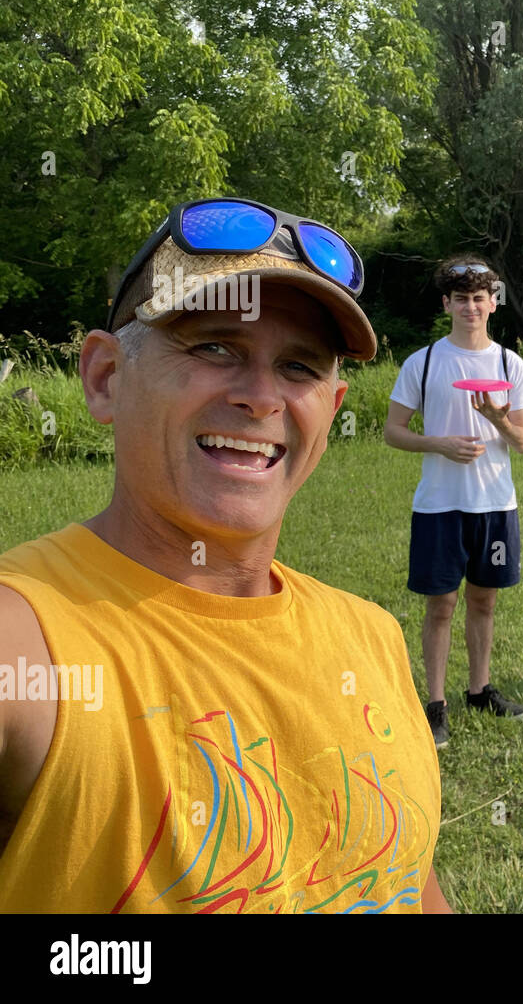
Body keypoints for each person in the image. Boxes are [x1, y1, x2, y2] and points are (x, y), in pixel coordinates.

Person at [0, 198, 450, 913]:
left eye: (299, 366)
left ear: (330, 413)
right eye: (214, 346)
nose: (262, 396)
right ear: (105, 377)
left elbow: (410, 886)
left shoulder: (374, 638)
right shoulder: (34, 641)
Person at [384, 257, 523, 750]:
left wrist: (496, 417)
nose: (470, 307)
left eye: (479, 298)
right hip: (440, 506)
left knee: (484, 600)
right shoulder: (423, 361)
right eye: (460, 298)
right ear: (446, 304)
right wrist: (440, 443)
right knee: (441, 604)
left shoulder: (510, 364)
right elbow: (393, 432)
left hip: (494, 505)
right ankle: (435, 705)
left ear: (493, 303)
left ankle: (479, 689)